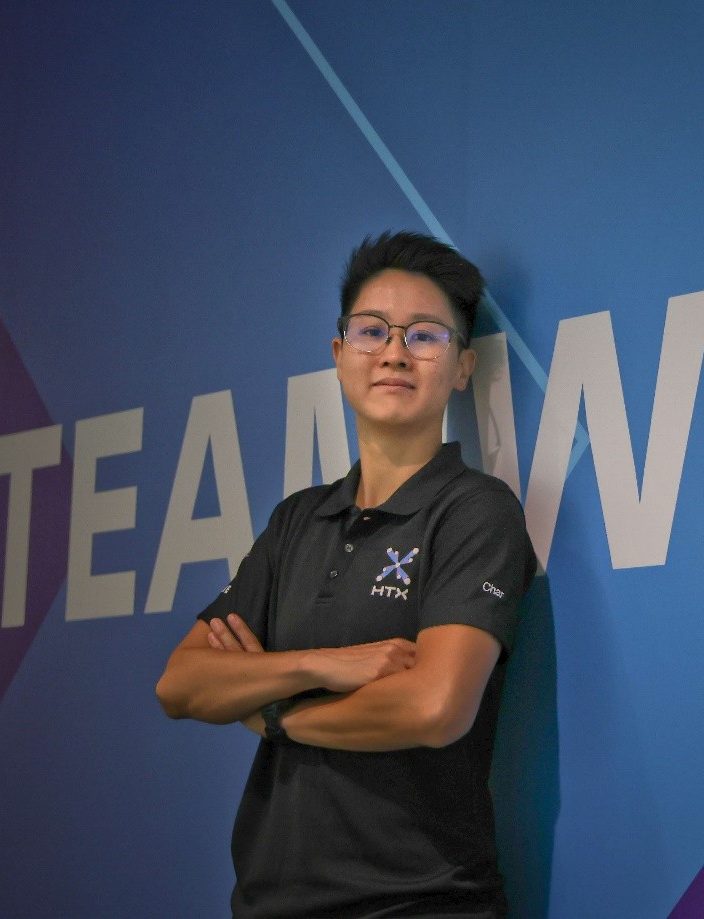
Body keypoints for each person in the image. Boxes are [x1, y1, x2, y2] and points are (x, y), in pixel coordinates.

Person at [156, 231, 537, 918]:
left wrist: (273, 712)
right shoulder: (297, 520)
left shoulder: (474, 510)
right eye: (372, 330)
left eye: (424, 335)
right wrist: (328, 663)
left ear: (461, 366)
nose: (393, 351)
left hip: (417, 902)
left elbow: (434, 706)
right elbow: (181, 682)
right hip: (268, 903)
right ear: (339, 356)